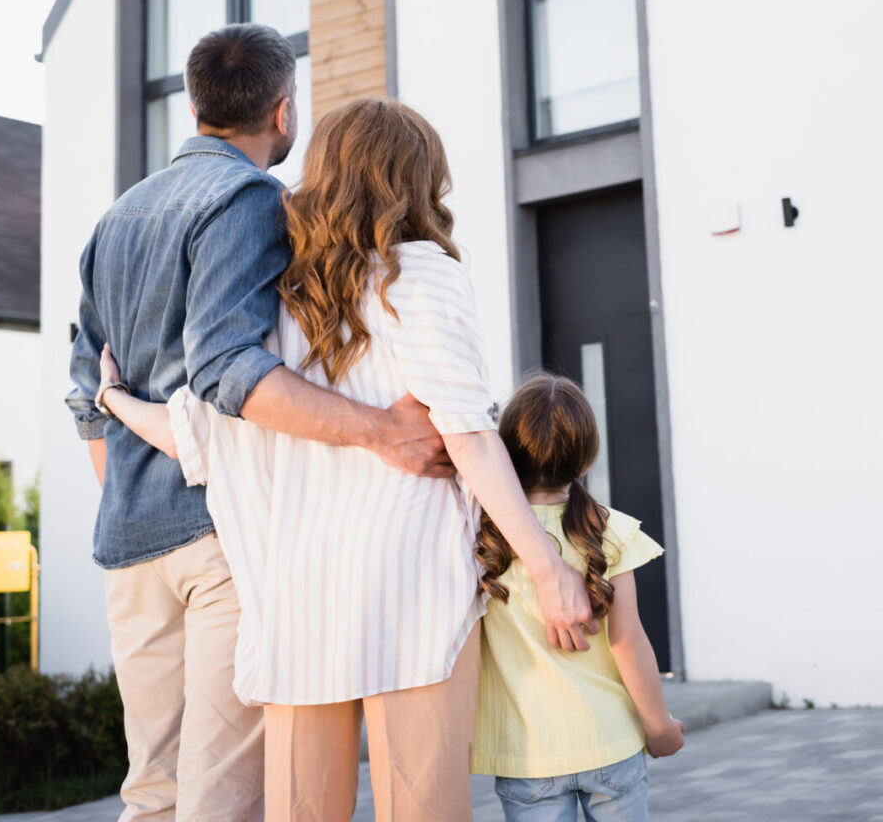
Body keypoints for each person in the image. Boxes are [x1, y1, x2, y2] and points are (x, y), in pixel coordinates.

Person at [95, 96, 595, 821]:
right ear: (416, 178)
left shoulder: (270, 298)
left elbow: (194, 430)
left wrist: (111, 397)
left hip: (299, 604)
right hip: (414, 592)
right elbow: (470, 436)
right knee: (419, 807)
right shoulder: (419, 273)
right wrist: (547, 570)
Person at [67, 25, 458, 820]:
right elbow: (227, 369)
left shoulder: (118, 217)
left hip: (129, 542)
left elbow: (86, 392)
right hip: (220, 540)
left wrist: (134, 502)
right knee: (224, 797)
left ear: (195, 103)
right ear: (283, 112)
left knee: (151, 793)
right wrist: (383, 430)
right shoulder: (249, 202)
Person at [472, 372, 685, 822]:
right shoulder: (609, 533)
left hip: (528, 757)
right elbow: (628, 641)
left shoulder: (483, 539)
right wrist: (659, 726)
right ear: (586, 455)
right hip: (611, 743)